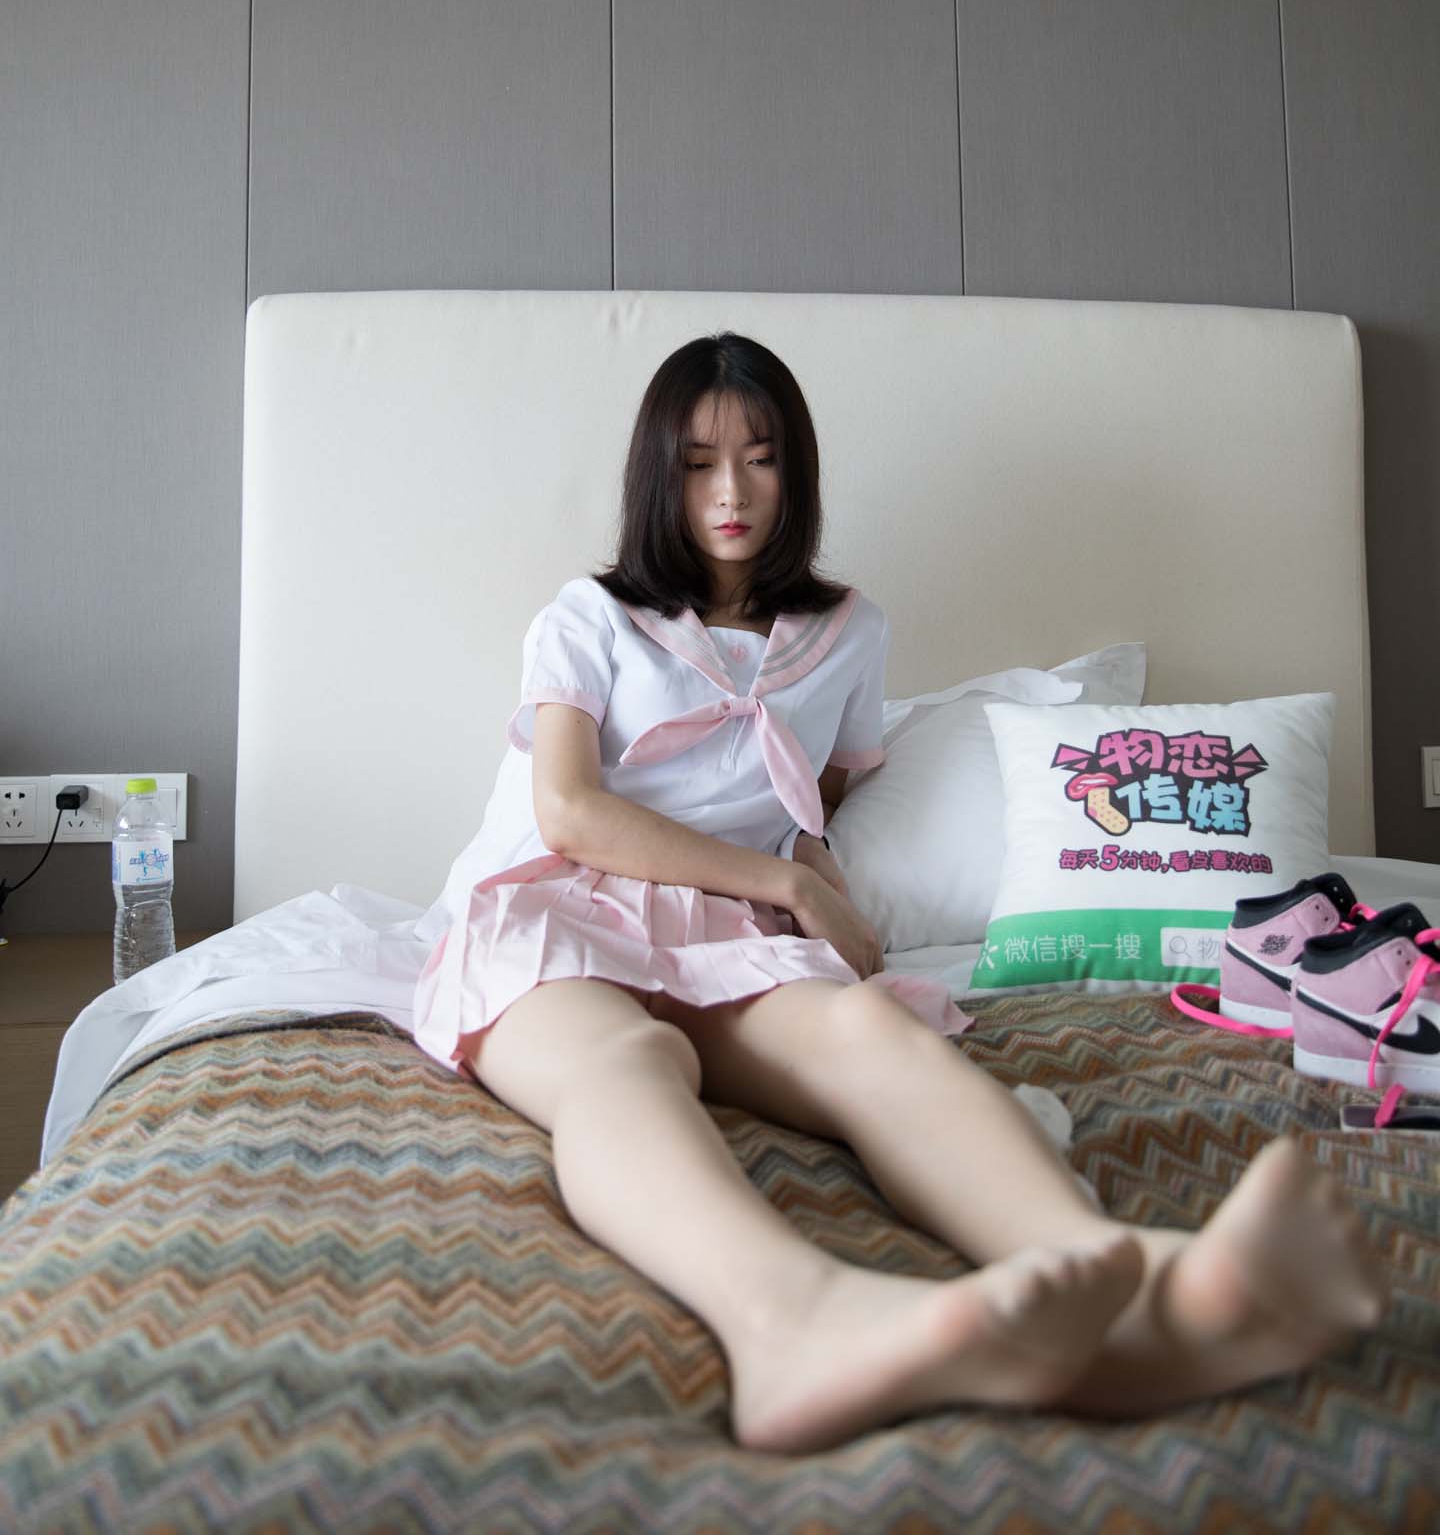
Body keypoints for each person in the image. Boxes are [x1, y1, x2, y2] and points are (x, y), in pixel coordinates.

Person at [412, 332, 1388, 1457]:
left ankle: (1115, 1281)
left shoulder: (848, 633)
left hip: (721, 930)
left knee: (866, 1035)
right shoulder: (588, 617)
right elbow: (569, 811)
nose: (732, 493)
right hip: (553, 908)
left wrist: (812, 869)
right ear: (655, 476)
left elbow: (815, 791)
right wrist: (789, 881)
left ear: (798, 471)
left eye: (762, 459)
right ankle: (788, 1324)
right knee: (631, 1059)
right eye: (698, 464)